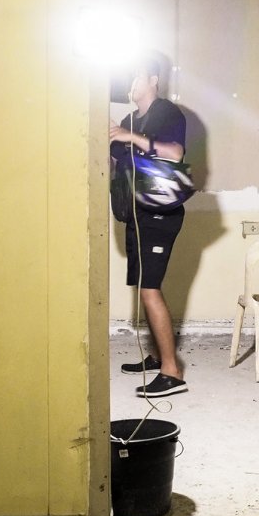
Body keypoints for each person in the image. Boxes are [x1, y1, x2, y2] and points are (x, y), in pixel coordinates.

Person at [109, 54, 188, 397]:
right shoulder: (130, 118)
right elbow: (116, 159)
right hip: (137, 213)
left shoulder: (167, 112)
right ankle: (158, 357)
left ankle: (172, 372)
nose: (130, 81)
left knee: (149, 288)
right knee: (144, 285)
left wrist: (130, 136)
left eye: (136, 75)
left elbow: (175, 153)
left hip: (160, 214)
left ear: (153, 79)